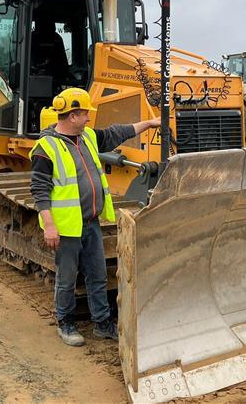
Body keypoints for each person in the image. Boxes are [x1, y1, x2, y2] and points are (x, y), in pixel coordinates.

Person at [28, 87, 159, 346]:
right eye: (85, 114)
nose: (89, 117)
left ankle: (102, 323)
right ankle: (65, 323)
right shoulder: (46, 148)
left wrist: (149, 123)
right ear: (72, 116)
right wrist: (50, 226)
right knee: (67, 279)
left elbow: (117, 133)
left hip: (91, 223)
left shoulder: (86, 136)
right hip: (67, 228)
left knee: (98, 276)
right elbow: (39, 189)